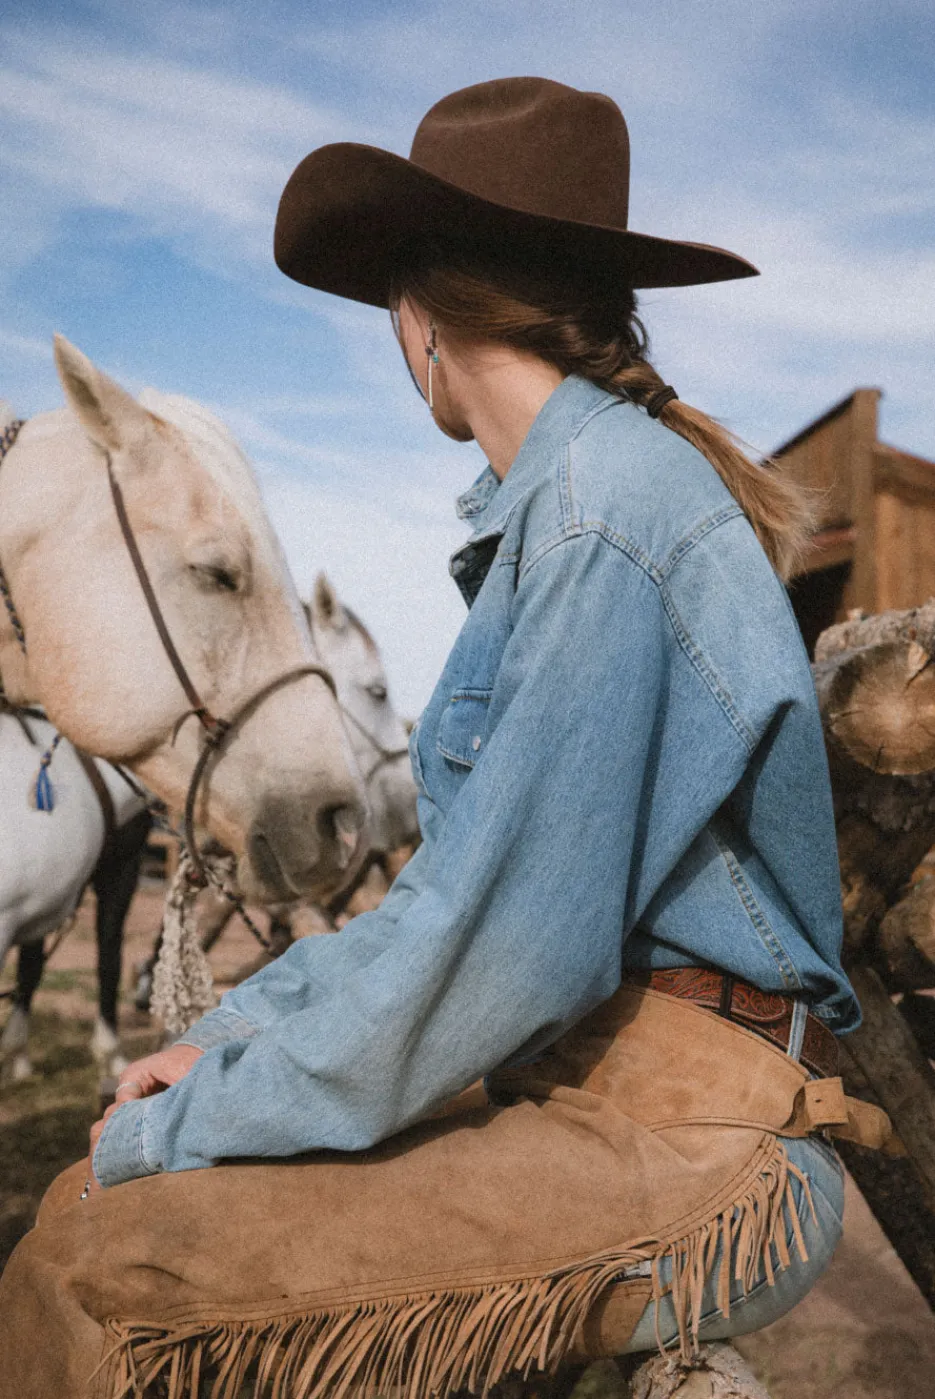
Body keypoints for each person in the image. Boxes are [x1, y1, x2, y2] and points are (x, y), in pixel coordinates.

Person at [0, 77, 890, 1399]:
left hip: (691, 1137)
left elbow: (504, 951)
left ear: (417, 322)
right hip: (603, 1080)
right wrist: (233, 1034)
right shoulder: (572, 509)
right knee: (117, 1192)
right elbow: (451, 903)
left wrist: (201, 1106)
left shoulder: (597, 518)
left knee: (96, 1255)